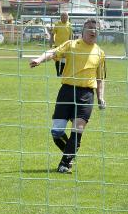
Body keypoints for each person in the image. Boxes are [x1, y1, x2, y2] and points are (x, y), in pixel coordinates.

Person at [30, 18, 107, 174]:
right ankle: (70, 153)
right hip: (66, 91)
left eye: (96, 28)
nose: (93, 31)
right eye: (90, 28)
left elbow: (100, 78)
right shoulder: (71, 45)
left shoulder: (100, 53)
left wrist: (100, 97)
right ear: (83, 31)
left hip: (86, 94)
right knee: (56, 133)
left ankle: (64, 164)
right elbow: (53, 52)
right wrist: (39, 59)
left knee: (77, 129)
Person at [50, 12, 72, 77]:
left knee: (64, 59)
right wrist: (51, 42)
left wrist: (71, 44)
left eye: (66, 17)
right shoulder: (57, 24)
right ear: (61, 17)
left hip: (66, 45)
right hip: (58, 45)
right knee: (57, 59)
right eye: (63, 17)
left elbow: (70, 35)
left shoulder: (69, 25)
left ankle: (61, 73)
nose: (65, 18)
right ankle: (58, 73)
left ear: (67, 18)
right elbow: (52, 34)